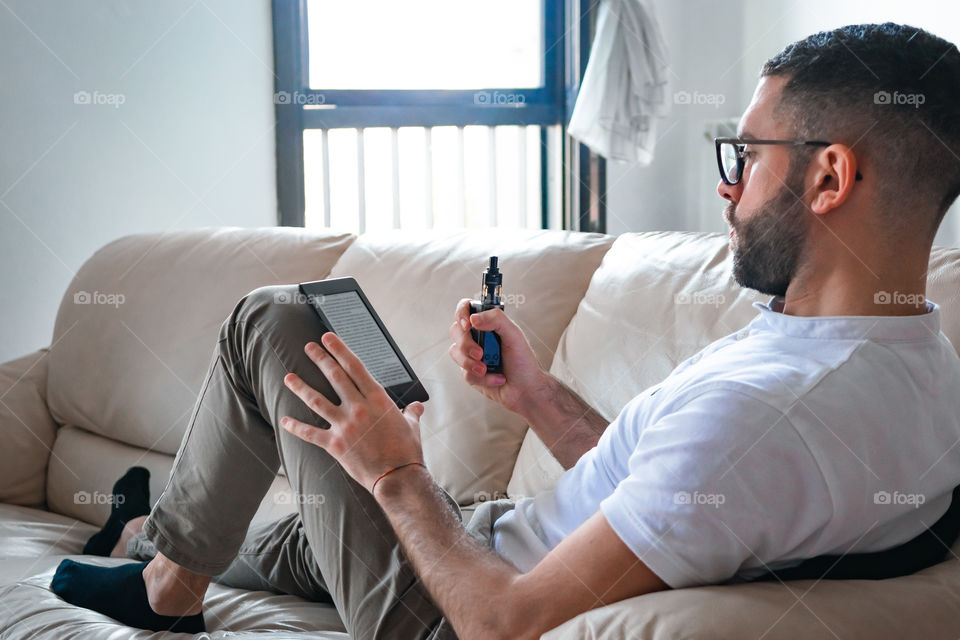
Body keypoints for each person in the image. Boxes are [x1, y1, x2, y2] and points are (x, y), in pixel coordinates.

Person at [51, 21, 960, 639]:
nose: (728, 185)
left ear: (830, 177)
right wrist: (535, 395)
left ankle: (167, 592)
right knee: (292, 542)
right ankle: (148, 540)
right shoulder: (912, 359)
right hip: (494, 534)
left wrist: (397, 473)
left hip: (452, 607)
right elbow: (685, 496)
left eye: (747, 156)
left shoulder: (770, 412)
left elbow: (503, 625)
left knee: (280, 316)